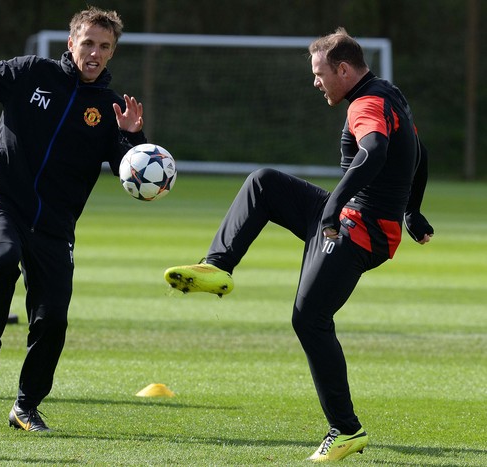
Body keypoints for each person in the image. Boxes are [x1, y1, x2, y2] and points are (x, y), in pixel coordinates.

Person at [164, 27, 433, 462]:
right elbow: (419, 151)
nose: (316, 81)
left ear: (344, 69)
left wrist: (335, 209)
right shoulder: (388, 94)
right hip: (348, 215)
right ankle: (217, 265)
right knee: (264, 183)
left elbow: (376, 151)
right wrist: (412, 209)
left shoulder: (366, 104)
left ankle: (346, 430)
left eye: (319, 73)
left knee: (309, 319)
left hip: (360, 229)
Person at [0, 7, 146, 431]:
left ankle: (25, 406)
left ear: (112, 53)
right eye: (88, 43)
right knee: (3, 256)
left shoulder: (110, 108)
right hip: (2, 200)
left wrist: (133, 137)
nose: (95, 53)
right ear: (71, 43)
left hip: (54, 224)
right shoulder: (32, 72)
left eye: (105, 47)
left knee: (53, 319)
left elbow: (132, 173)